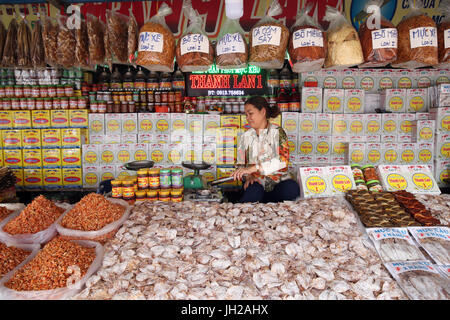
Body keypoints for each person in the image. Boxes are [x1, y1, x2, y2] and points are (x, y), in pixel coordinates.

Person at [231, 96, 300, 203]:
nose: (248, 118)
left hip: (278, 186)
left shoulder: (277, 132)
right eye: (246, 115)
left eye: (251, 113)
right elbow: (240, 165)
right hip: (258, 185)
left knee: (292, 188)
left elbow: (282, 161)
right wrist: (248, 176)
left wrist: (252, 169)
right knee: (253, 191)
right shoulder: (245, 136)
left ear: (262, 112)